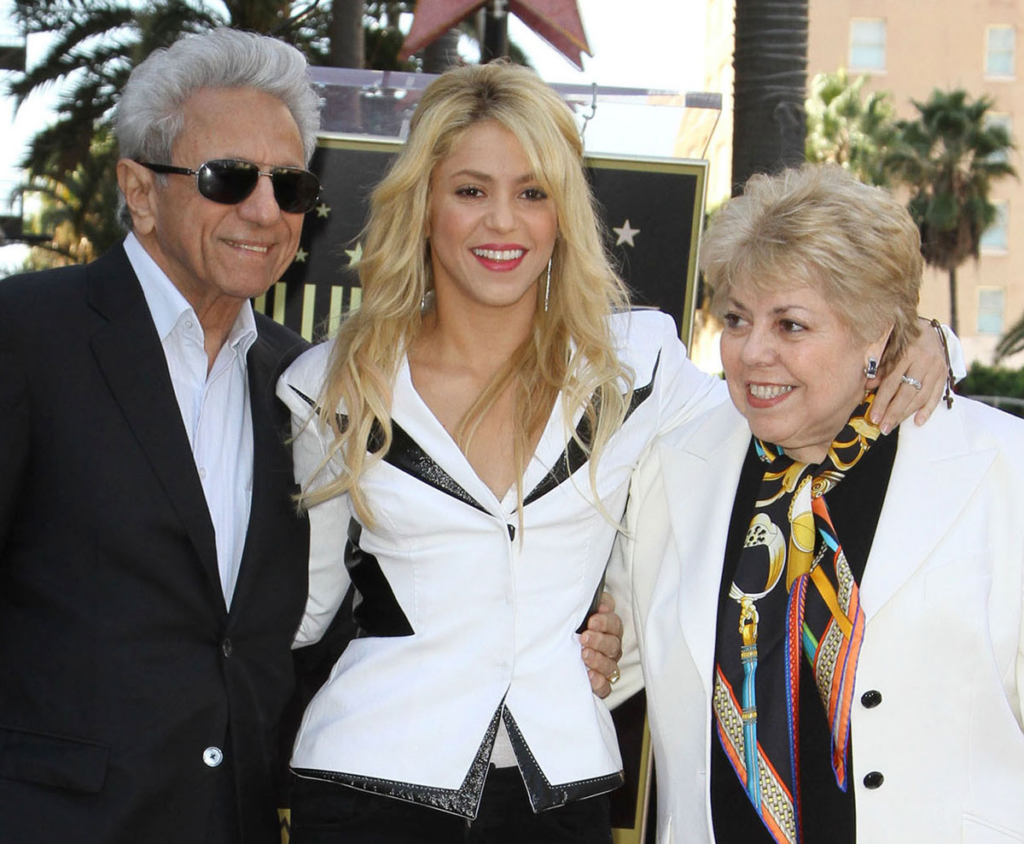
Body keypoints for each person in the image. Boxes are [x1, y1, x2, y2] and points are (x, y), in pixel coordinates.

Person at [277, 65, 954, 844]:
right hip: (365, 788)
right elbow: (301, 609)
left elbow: (787, 414)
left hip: (558, 798)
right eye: (470, 190)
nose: (503, 221)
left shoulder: (638, 367)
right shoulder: (333, 384)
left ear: (563, 211)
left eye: (533, 193)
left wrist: (924, 342)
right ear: (424, 202)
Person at [610, 163, 1024, 844]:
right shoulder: (673, 466)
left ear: (875, 335)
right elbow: (617, 656)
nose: (752, 352)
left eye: (791, 325)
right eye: (737, 319)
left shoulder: (1003, 470)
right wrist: (595, 648)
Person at [0, 28, 321, 844]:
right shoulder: (24, 335)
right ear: (139, 191)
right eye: (229, 177)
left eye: (288, 186)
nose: (264, 211)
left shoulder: (304, 384)